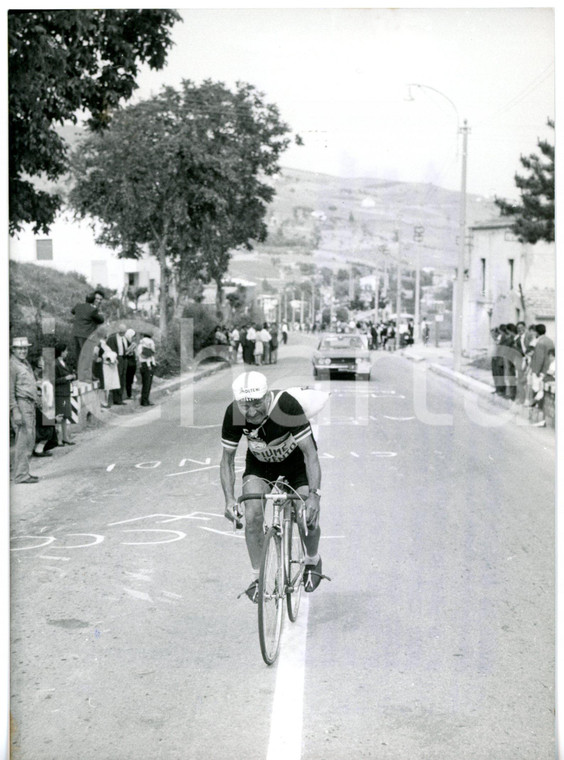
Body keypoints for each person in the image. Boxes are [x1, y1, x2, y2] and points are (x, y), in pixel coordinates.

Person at [220, 371, 325, 602]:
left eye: (257, 403)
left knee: (305, 515)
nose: (252, 412)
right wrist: (229, 500)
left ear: (267, 397)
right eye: (245, 406)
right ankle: (258, 578)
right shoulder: (236, 413)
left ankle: (312, 560)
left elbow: (310, 454)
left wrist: (314, 496)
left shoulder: (285, 407)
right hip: (261, 466)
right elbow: (227, 460)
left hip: (296, 464)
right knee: (253, 515)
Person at [10, 336, 40, 483]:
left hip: (29, 404)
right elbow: (8, 391)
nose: (23, 351)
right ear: (13, 350)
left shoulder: (24, 363)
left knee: (29, 438)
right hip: (21, 405)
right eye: (20, 348)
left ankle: (23, 472)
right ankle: (20, 475)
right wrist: (15, 410)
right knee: (23, 439)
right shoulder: (11, 366)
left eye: (25, 348)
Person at [71, 290, 105, 378]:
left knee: (79, 356)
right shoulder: (93, 309)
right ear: (93, 300)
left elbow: (73, 311)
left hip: (76, 334)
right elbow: (101, 320)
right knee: (88, 356)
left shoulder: (78, 306)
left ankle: (79, 374)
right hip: (86, 336)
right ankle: (87, 375)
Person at [33, 354, 59, 457]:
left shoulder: (43, 373)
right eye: (41, 361)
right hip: (38, 404)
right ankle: (38, 449)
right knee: (46, 426)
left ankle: (41, 448)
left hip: (45, 403)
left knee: (49, 426)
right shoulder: (34, 374)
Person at [92, 329, 121, 407]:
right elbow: (95, 353)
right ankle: (102, 402)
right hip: (101, 367)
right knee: (102, 384)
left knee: (106, 385)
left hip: (107, 367)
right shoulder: (98, 344)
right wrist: (97, 359)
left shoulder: (105, 344)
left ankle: (105, 401)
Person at [54, 343, 76, 445]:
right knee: (60, 416)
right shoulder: (55, 364)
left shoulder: (63, 362)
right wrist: (65, 378)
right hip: (59, 393)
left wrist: (72, 376)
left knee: (65, 415)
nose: (67, 353)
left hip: (65, 391)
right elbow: (53, 380)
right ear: (61, 352)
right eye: (65, 351)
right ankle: (59, 439)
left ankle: (64, 437)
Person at [106, 324, 129, 405]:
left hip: (124, 359)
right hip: (117, 359)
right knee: (117, 378)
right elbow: (109, 350)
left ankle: (120, 397)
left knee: (122, 378)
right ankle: (116, 398)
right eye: (121, 332)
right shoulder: (113, 338)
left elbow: (126, 348)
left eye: (124, 332)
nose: (123, 333)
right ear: (118, 331)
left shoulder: (125, 338)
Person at [137, 333, 156, 406]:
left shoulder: (140, 346)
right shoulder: (150, 343)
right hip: (148, 364)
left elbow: (140, 356)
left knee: (145, 383)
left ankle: (145, 400)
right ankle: (145, 400)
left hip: (143, 365)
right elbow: (153, 352)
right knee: (147, 383)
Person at [124, 328, 138, 399]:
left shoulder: (132, 343)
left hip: (132, 363)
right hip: (127, 363)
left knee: (131, 379)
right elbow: (125, 353)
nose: (134, 338)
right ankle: (128, 394)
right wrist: (131, 348)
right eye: (133, 336)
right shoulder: (125, 342)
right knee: (128, 379)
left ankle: (130, 393)